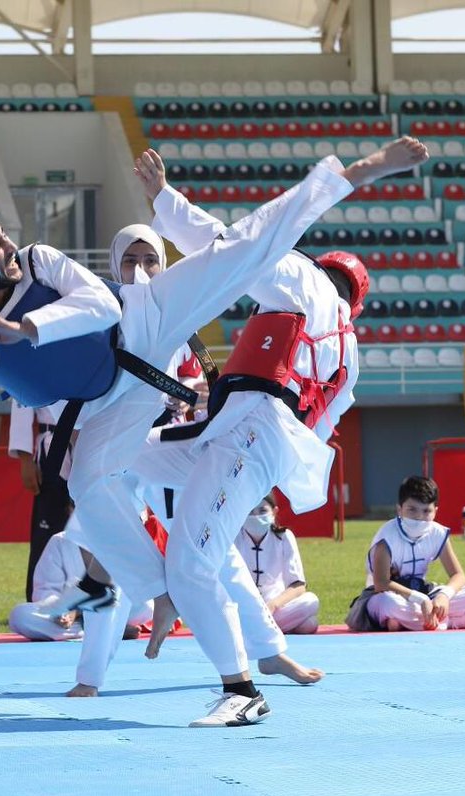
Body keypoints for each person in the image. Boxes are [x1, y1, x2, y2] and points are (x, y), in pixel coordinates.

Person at [0, 140, 424, 645]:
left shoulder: (40, 260)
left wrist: (27, 328)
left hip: (148, 324)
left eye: (0, 235)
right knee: (89, 485)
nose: (6, 247)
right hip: (116, 399)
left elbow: (100, 303)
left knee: (242, 248)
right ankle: (160, 591)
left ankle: (353, 173)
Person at [111, 142, 427, 726]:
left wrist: (165, 202)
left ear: (321, 268)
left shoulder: (303, 280)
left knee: (188, 558)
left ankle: (241, 688)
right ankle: (167, 591)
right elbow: (324, 422)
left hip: (244, 438)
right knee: (118, 458)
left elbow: (232, 245)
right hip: (246, 441)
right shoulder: (349, 352)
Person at [346, 476, 465, 633]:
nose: (419, 517)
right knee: (388, 603)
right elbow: (381, 583)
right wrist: (420, 599)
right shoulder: (386, 537)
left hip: (424, 593)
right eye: (412, 509)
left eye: (426, 511)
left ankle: (405, 623)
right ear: (399, 509)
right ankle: (448, 622)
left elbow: (458, 575)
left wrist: (444, 596)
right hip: (387, 595)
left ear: (436, 511)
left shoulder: (438, 533)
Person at [8, 530, 151, 642]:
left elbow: (131, 588)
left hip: (110, 609)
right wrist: (63, 610)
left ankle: (101, 628)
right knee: (20, 615)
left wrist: (78, 611)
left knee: (147, 605)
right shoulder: (60, 542)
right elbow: (45, 591)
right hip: (66, 617)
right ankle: (113, 630)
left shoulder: (120, 540)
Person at [9, 399, 74, 602]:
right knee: (48, 528)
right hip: (52, 445)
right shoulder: (31, 365)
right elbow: (21, 398)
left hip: (90, 442)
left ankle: (90, 599)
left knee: (90, 527)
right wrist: (25, 459)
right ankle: (40, 598)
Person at [232, 494, 320, 634]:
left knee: (311, 601)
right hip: (242, 608)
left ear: (274, 512)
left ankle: (253, 629)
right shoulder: (233, 538)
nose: (256, 517)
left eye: (262, 511)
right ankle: (267, 628)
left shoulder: (284, 536)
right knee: (307, 625)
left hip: (276, 607)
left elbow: (298, 586)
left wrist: (273, 605)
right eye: (250, 512)